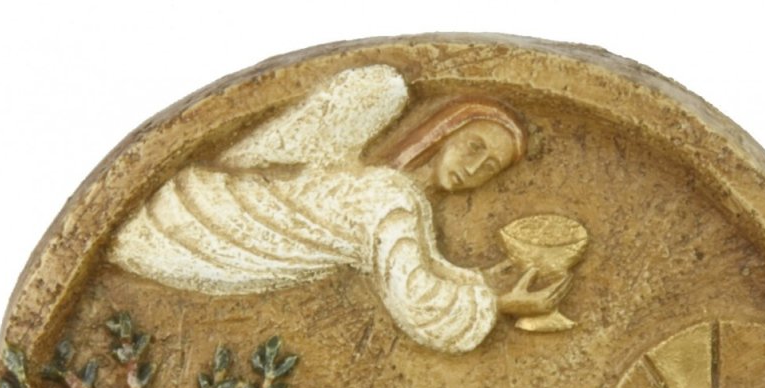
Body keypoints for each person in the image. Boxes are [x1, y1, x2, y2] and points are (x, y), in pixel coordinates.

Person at [108, 66, 568, 353]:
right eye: (474, 146)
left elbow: (415, 260)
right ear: (444, 130)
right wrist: (497, 303)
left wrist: (478, 281)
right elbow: (416, 299)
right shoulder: (390, 195)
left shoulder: (396, 197)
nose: (474, 168)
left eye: (490, 167)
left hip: (190, 211)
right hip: (195, 228)